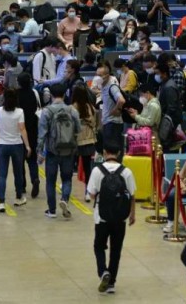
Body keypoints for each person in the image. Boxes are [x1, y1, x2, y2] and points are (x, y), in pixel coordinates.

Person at [88, 141, 136, 295]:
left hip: (101, 217)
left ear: (104, 152)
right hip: (120, 218)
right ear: (119, 153)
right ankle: (111, 283)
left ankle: (103, 272)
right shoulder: (126, 172)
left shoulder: (97, 171)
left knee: (99, 246)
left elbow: (91, 194)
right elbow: (132, 195)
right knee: (116, 250)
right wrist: (132, 214)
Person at [38, 83, 80, 219]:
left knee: (50, 181)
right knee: (67, 178)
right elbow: (78, 129)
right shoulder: (72, 110)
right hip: (69, 150)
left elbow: (42, 134)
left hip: (52, 151)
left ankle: (52, 211)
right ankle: (65, 199)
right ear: (64, 94)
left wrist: (40, 151)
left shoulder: (47, 111)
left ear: (51, 94)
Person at [0, 89, 31, 213]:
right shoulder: (20, 112)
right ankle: (18, 197)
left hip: (2, 145)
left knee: (2, 174)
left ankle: (1, 202)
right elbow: (22, 129)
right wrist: (27, 146)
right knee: (18, 173)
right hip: (17, 145)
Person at [71, 83, 98, 202]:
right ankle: (88, 192)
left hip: (75, 140)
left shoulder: (72, 107)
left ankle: (66, 187)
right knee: (87, 168)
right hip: (88, 140)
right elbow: (94, 123)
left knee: (70, 165)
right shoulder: (90, 107)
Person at [97, 62, 125, 150]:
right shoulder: (103, 86)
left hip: (113, 124)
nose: (97, 78)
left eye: (100, 75)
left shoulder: (112, 87)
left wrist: (115, 110)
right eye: (97, 75)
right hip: (107, 122)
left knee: (112, 151)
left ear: (107, 75)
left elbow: (121, 100)